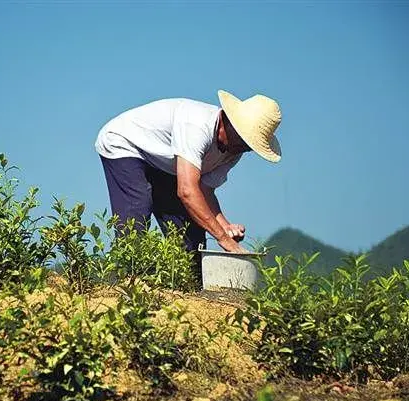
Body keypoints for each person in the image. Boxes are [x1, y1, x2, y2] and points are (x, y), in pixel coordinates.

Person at [94, 89, 283, 269]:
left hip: (165, 163)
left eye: (249, 146)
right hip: (126, 144)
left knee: (189, 237)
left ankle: (186, 288)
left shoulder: (234, 150)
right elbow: (186, 191)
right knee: (138, 206)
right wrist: (223, 240)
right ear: (230, 124)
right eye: (244, 142)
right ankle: (129, 281)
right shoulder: (197, 126)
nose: (245, 149)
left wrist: (225, 227)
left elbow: (204, 190)